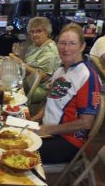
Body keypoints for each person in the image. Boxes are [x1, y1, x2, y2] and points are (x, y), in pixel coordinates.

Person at [31, 23, 101, 164]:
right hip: (48, 131)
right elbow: (52, 100)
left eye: (72, 43)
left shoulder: (87, 76)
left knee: (16, 150)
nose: (66, 48)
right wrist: (35, 119)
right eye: (62, 43)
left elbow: (86, 123)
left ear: (82, 46)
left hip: (69, 142)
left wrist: (49, 129)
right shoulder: (60, 71)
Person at [11, 17, 60, 104]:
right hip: (28, 82)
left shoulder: (50, 50)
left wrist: (21, 64)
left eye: (38, 31)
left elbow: (44, 77)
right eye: (32, 31)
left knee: (10, 94)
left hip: (42, 88)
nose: (34, 34)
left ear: (47, 32)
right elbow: (30, 63)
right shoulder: (35, 45)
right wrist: (18, 56)